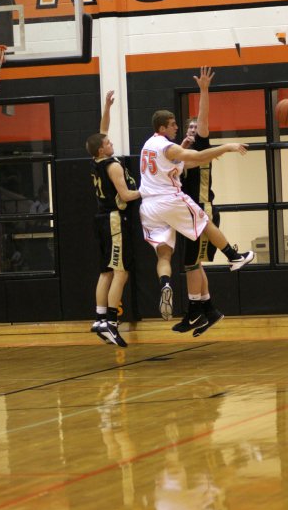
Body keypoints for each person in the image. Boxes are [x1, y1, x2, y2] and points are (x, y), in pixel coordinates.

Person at [139, 108, 254, 332]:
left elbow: (186, 163)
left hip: (149, 207)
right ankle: (234, 256)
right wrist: (229, 146)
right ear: (162, 128)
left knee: (164, 253)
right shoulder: (168, 146)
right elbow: (199, 157)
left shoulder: (148, 145)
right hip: (169, 200)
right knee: (205, 223)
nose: (176, 127)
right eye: (172, 124)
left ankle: (165, 284)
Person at [86, 90, 141, 348]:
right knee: (121, 272)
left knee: (105, 271)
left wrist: (107, 107)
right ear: (102, 149)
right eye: (107, 142)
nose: (111, 142)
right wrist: (149, 191)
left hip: (100, 219)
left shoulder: (96, 160)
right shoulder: (113, 165)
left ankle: (99, 318)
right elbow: (126, 195)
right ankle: (110, 322)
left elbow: (101, 130)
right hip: (114, 220)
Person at [177, 66, 226, 337]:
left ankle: (196, 310)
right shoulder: (180, 152)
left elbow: (204, 119)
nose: (195, 129)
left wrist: (204, 91)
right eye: (191, 127)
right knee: (192, 264)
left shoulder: (203, 145)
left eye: (197, 127)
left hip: (203, 210)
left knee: (190, 264)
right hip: (188, 213)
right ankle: (209, 311)